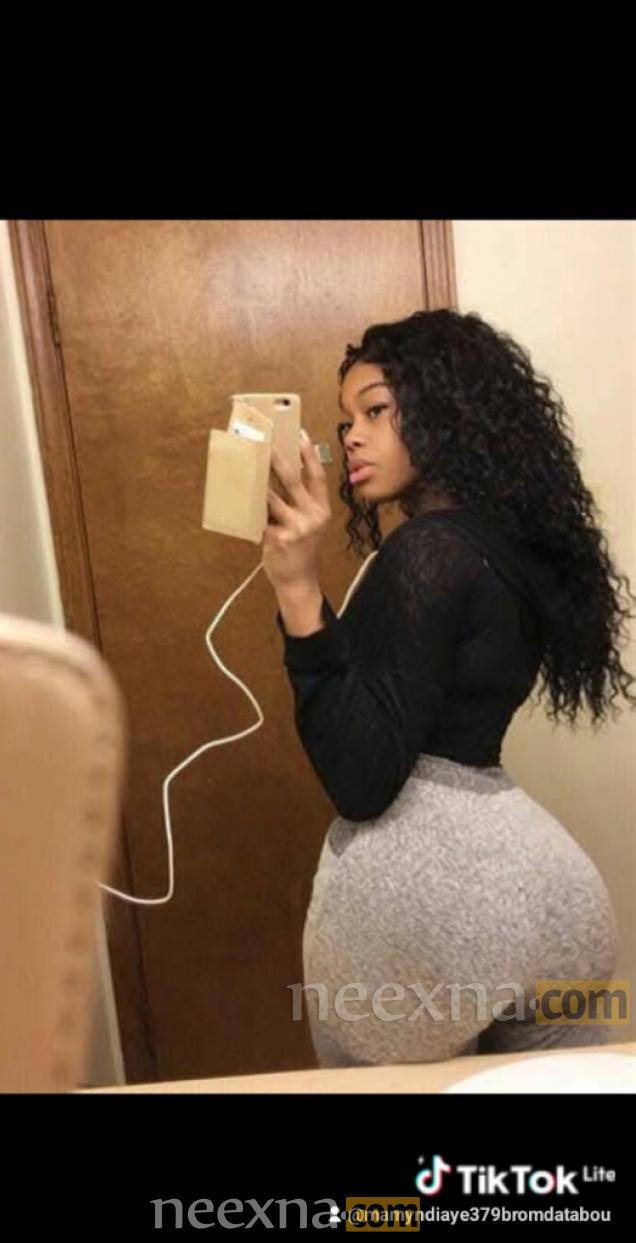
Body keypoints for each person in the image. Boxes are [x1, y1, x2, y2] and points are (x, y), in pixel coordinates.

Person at [261, 308, 635, 1066]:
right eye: (347, 421)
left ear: (446, 411)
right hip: (558, 906)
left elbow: (362, 780)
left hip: (428, 913)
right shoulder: (509, 552)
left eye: (376, 410)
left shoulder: (426, 550)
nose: (352, 436)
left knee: (396, 1142)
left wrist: (296, 589)